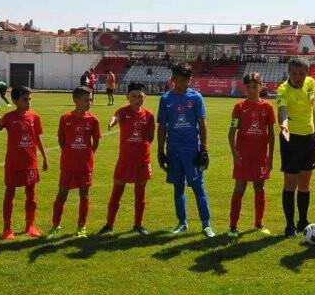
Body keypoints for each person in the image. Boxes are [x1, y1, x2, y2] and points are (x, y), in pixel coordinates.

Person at [157, 63, 214, 237]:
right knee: (178, 188)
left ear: (190, 80)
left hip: (191, 150)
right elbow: (162, 127)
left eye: (185, 80)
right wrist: (160, 150)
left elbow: (202, 125)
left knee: (198, 187)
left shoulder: (196, 98)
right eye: (178, 80)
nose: (181, 83)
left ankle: (206, 225)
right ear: (173, 79)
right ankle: (182, 223)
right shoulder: (165, 99)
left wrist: (203, 149)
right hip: (173, 149)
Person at [0, 86, 49, 240]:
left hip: (30, 162)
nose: (28, 102)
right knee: (10, 194)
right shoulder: (10, 117)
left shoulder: (34, 117)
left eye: (30, 99)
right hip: (13, 163)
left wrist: (44, 157)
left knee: (31, 195)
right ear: (15, 100)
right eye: (25, 99)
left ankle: (30, 225)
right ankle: (7, 228)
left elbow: (37, 138)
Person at [99, 82, 156, 236]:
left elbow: (150, 138)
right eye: (134, 96)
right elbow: (116, 117)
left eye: (140, 96)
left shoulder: (149, 115)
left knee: (140, 195)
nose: (137, 99)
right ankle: (109, 224)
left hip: (142, 161)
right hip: (125, 161)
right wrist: (112, 122)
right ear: (127, 97)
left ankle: (138, 225)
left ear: (144, 97)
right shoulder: (123, 111)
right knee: (116, 193)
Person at [227, 72, 276, 237]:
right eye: (248, 86)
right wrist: (234, 153)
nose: (251, 89)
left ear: (261, 87)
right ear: (244, 87)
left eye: (255, 86)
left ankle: (259, 224)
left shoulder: (267, 107)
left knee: (259, 187)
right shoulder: (239, 107)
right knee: (239, 188)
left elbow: (271, 135)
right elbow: (231, 132)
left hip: (260, 156)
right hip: (243, 157)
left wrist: (270, 158)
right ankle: (233, 227)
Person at [49, 87, 101, 238]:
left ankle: (81, 227)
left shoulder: (93, 120)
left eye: (90, 99)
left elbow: (96, 142)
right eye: (86, 100)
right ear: (75, 100)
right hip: (68, 165)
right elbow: (61, 141)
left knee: (84, 195)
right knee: (62, 194)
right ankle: (55, 225)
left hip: (85, 165)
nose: (89, 102)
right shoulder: (65, 118)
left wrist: (87, 154)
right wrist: (71, 153)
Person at [276, 57, 315, 237]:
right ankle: (290, 225)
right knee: (290, 183)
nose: (297, 77)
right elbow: (282, 111)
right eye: (294, 73)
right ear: (289, 73)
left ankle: (303, 221)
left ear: (307, 73)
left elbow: (312, 109)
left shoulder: (311, 83)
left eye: (301, 73)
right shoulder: (282, 89)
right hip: (290, 138)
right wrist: (284, 126)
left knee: (305, 182)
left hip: (308, 139)